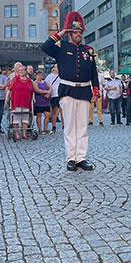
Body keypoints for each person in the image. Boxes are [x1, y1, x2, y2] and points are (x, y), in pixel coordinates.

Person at [40, 11, 99, 171]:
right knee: (70, 126)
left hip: (85, 91)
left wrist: (96, 89)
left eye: (80, 32)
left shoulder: (89, 50)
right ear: (69, 33)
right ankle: (71, 158)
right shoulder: (61, 47)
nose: (78, 34)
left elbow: (94, 72)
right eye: (74, 32)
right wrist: (61, 33)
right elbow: (44, 47)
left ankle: (81, 158)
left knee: (82, 126)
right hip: (67, 90)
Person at [8, 65, 38, 141]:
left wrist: (33, 98)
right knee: (16, 118)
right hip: (17, 101)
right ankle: (16, 133)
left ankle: (24, 133)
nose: (21, 71)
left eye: (22, 70)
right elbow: (9, 89)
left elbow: (33, 90)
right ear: (17, 72)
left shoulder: (29, 80)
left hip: (26, 102)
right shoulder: (15, 80)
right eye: (19, 70)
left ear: (25, 71)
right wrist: (7, 99)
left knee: (25, 118)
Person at [45, 64, 62, 132]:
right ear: (54, 68)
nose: (58, 68)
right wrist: (48, 92)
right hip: (54, 96)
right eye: (56, 67)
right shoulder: (49, 76)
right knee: (54, 112)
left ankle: (64, 126)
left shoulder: (62, 75)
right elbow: (46, 84)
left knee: (63, 112)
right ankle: (54, 126)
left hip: (61, 95)